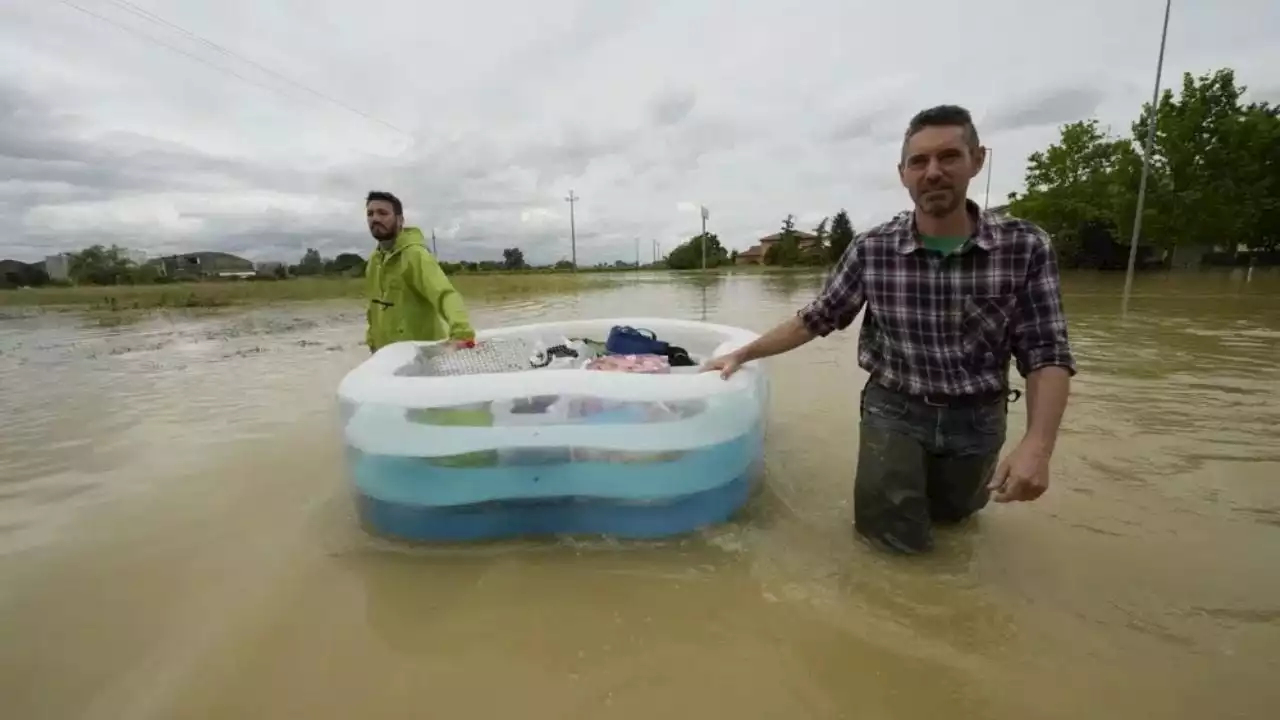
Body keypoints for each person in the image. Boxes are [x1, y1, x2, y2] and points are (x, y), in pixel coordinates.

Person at [702, 105, 1077, 554]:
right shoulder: (872, 249)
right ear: (902, 174)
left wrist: (1038, 445)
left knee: (955, 527)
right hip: (894, 410)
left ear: (977, 160)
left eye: (949, 157)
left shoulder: (1025, 246)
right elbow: (817, 317)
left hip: (978, 419)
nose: (933, 172)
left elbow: (1045, 350)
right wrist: (744, 354)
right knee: (889, 547)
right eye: (919, 161)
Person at [363, 191, 476, 353]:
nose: (375, 219)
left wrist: (462, 332)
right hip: (387, 356)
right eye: (370, 214)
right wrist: (372, 342)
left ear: (400, 220)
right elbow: (373, 310)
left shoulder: (415, 255)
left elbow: (445, 294)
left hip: (422, 357)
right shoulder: (374, 261)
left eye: (383, 213)